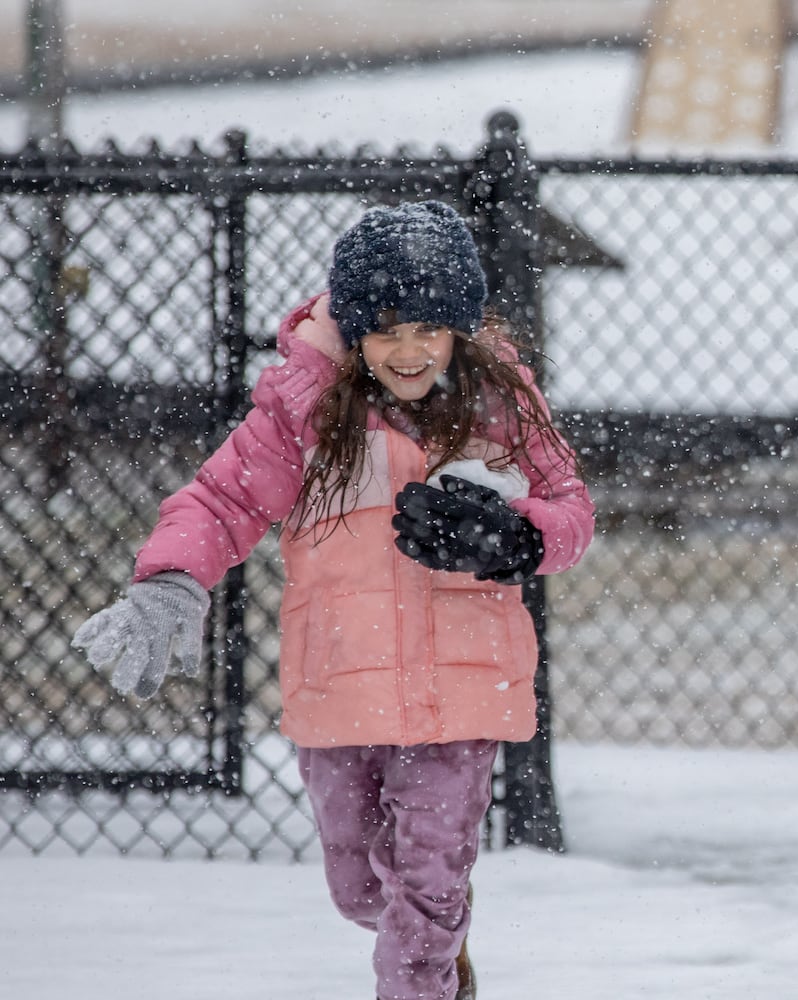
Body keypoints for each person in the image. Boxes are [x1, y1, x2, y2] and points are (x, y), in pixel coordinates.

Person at [71, 200, 595, 1000]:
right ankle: (434, 952)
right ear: (354, 334)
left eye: (429, 328)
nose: (410, 352)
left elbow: (571, 509)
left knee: (424, 895)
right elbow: (220, 502)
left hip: (462, 689)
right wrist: (170, 582)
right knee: (363, 892)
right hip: (340, 687)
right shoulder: (305, 415)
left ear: (459, 327)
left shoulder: (501, 409)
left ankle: (424, 967)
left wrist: (516, 536)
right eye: (386, 330)